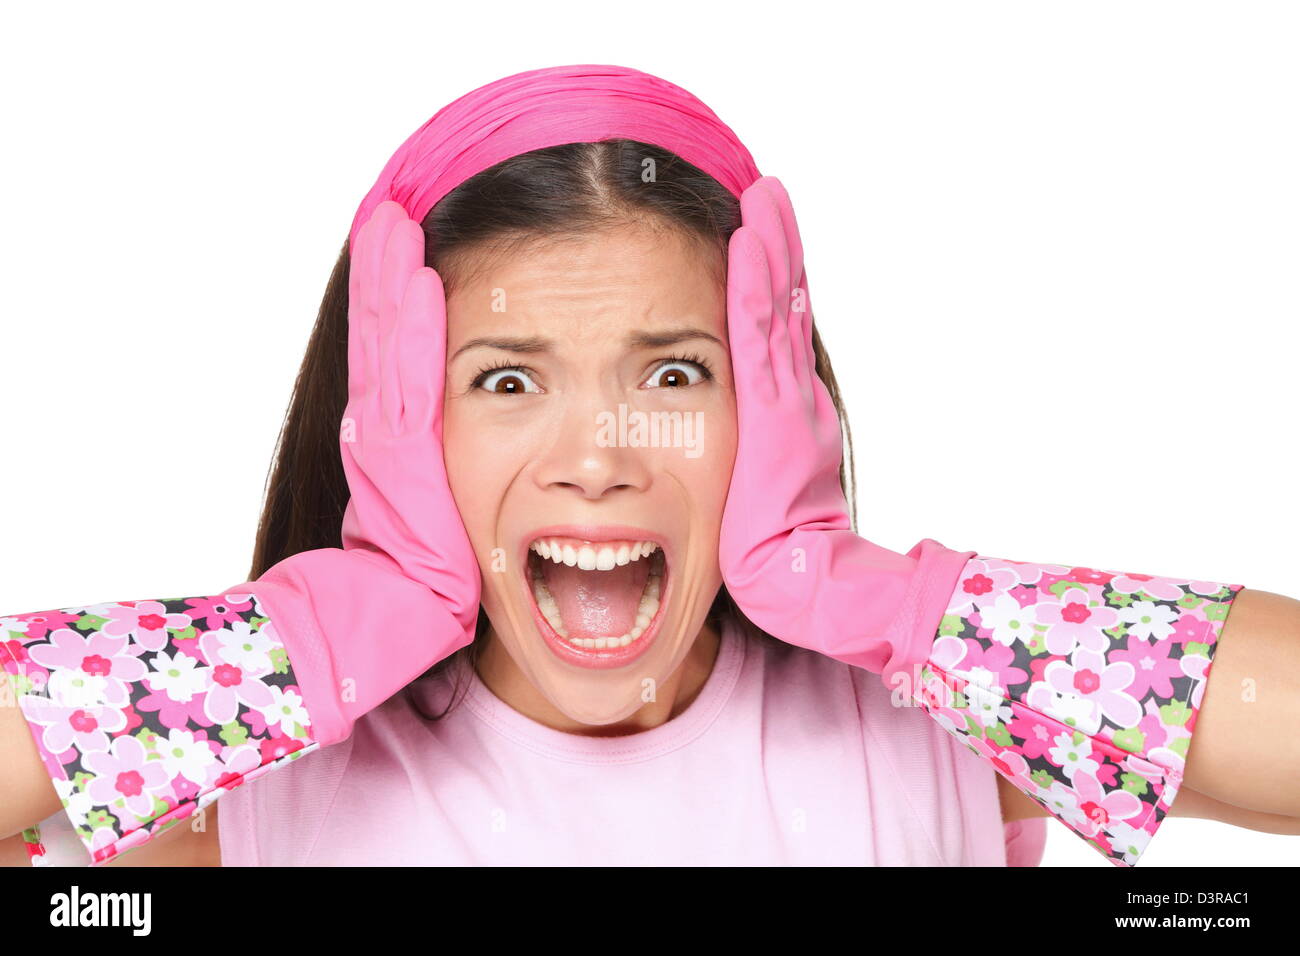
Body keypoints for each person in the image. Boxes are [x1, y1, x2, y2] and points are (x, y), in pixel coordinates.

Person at [2, 65, 1296, 868]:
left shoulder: (933, 724)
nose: (600, 458)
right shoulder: (244, 796)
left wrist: (903, 609)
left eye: (674, 373)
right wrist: (314, 636)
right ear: (399, 416)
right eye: (506, 380)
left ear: (774, 402)